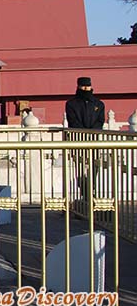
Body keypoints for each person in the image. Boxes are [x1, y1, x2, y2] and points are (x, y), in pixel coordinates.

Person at [64, 76, 105, 209]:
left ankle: (91, 189)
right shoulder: (71, 104)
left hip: (94, 141)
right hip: (79, 140)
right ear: (78, 87)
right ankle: (85, 193)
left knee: (95, 166)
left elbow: (100, 121)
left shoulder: (98, 104)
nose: (86, 89)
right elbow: (73, 121)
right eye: (83, 86)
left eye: (88, 86)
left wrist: (92, 133)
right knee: (80, 167)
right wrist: (83, 133)